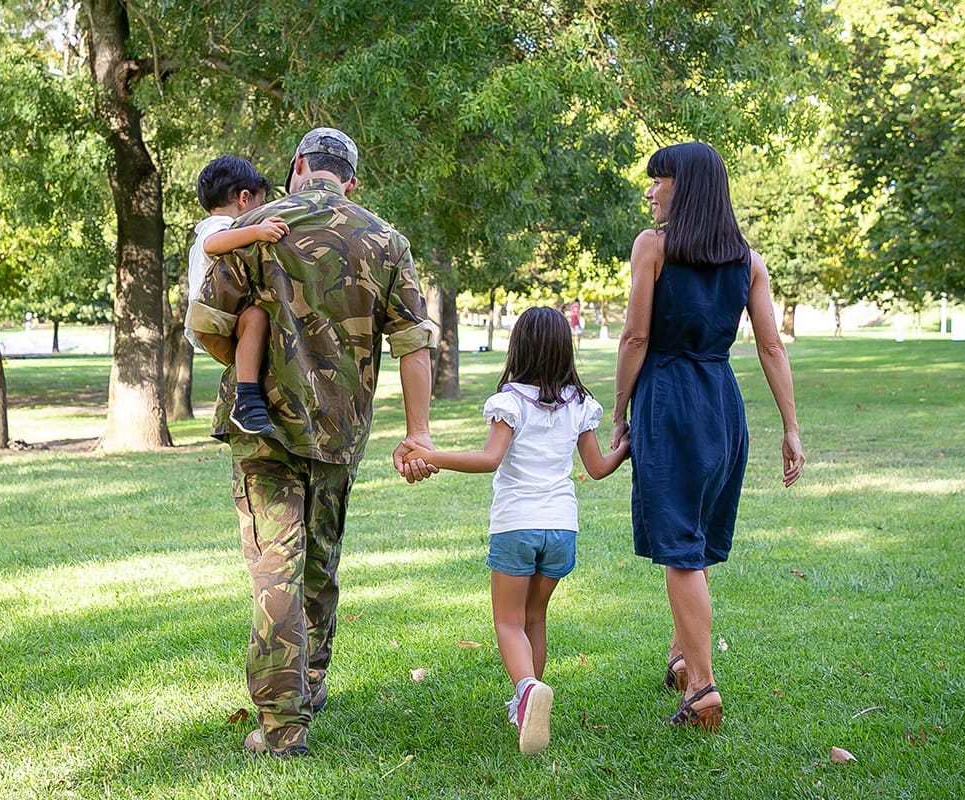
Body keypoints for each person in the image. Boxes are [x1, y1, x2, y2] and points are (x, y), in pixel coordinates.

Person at [186, 127, 438, 758]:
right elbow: (414, 345)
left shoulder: (256, 225)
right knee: (320, 562)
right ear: (350, 181)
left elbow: (206, 323)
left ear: (298, 166)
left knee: (276, 567)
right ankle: (313, 682)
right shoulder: (386, 240)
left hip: (261, 429)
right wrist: (419, 432)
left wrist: (252, 367)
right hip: (338, 430)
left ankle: (282, 726)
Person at [611, 142, 804, 733]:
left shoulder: (655, 248)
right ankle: (680, 656)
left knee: (679, 549)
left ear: (685, 186)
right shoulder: (748, 260)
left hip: (669, 400)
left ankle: (701, 685)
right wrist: (791, 429)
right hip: (722, 403)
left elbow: (635, 339)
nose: (649, 192)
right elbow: (771, 347)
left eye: (658, 181)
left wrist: (619, 413)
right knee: (692, 539)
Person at [402, 306, 629, 756]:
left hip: (516, 526)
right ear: (565, 349)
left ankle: (526, 689)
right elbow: (598, 468)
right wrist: (625, 446)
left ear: (518, 347)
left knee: (507, 620)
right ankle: (526, 701)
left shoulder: (511, 402)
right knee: (534, 617)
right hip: (561, 528)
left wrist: (433, 454)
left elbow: (490, 459)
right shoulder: (580, 404)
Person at [187, 155, 290, 435]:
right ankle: (245, 401)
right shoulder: (217, 225)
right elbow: (213, 244)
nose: (262, 210)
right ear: (244, 198)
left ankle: (251, 401)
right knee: (256, 317)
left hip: (216, 320)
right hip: (212, 318)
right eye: (260, 203)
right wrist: (258, 230)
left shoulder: (223, 226)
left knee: (258, 351)